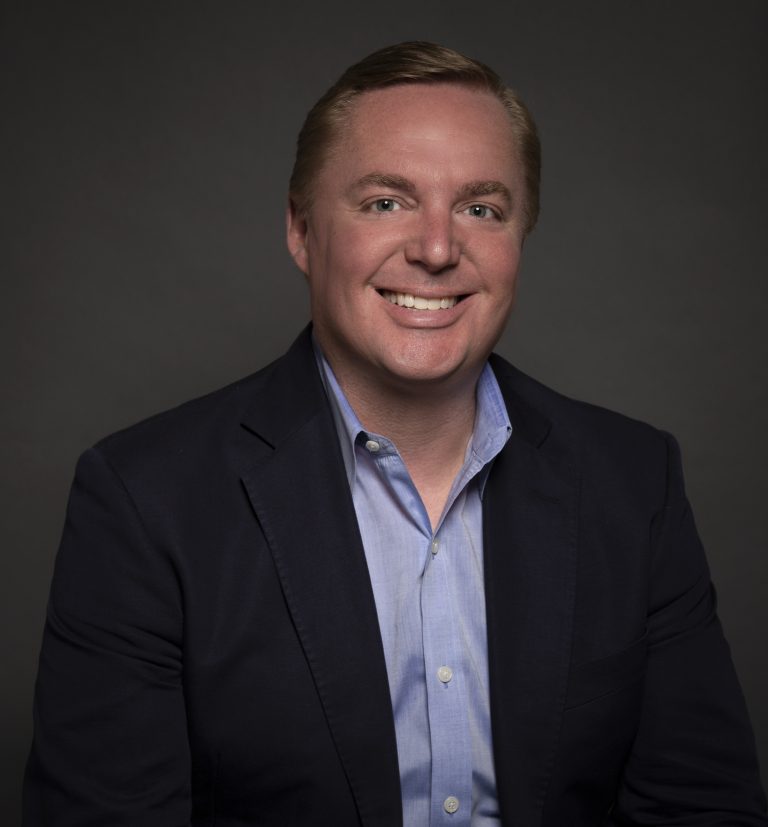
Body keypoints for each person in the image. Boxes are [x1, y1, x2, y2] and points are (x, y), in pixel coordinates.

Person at [23, 41, 767, 827]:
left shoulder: (633, 482)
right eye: (386, 201)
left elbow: (702, 806)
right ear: (302, 231)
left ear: (522, 237)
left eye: (482, 208)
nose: (438, 249)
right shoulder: (145, 500)